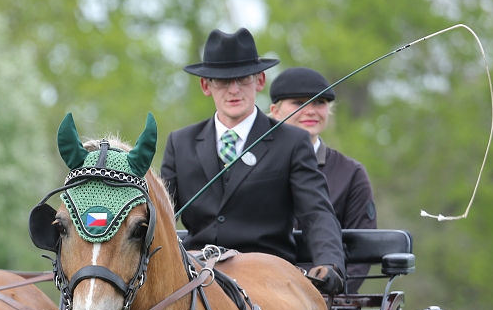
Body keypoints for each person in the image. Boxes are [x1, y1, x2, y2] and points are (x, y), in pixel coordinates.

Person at [161, 28, 345, 295]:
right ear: (206, 86)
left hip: (267, 280)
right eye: (223, 81)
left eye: (243, 79)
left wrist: (329, 263)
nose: (234, 90)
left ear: (260, 81)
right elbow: (160, 216)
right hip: (197, 278)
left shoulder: (291, 142)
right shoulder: (181, 143)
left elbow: (316, 212)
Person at [269, 66, 377, 294]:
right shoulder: (256, 167)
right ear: (275, 111)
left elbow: (360, 252)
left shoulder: (351, 173)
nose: (310, 111)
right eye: (298, 103)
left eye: (319, 103)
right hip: (262, 298)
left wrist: (326, 292)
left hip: (331, 304)